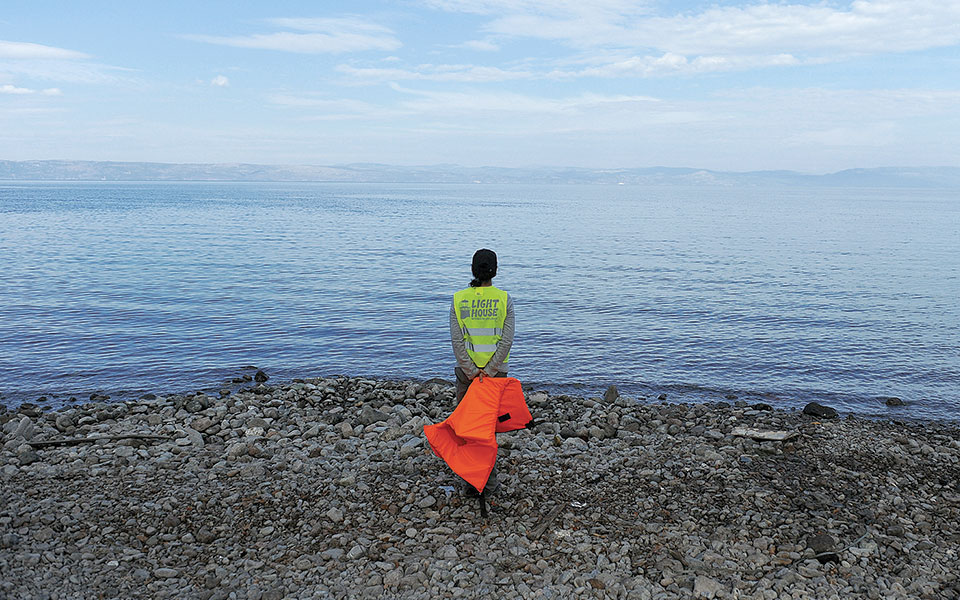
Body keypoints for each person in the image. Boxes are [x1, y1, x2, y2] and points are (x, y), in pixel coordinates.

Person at [450, 248, 515, 404]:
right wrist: (489, 371)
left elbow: (457, 341)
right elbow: (506, 341)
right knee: (492, 419)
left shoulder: (458, 299)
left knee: (466, 419)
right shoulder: (504, 299)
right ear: (495, 270)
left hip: (466, 373)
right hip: (497, 371)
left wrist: (472, 371)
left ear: (473, 269)